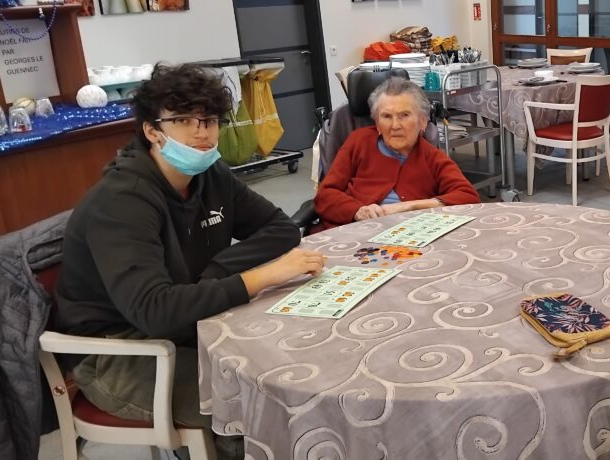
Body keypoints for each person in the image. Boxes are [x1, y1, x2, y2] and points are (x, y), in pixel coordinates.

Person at [55, 64, 325, 459]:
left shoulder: (210, 173)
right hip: (118, 352)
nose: (202, 132)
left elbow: (281, 229)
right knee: (258, 405)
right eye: (183, 120)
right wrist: (257, 278)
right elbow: (156, 311)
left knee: (295, 365)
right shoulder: (122, 200)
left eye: (210, 120)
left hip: (189, 324)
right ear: (152, 131)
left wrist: (215, 272)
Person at [313, 77, 480, 230]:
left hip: (409, 234)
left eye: (404, 115)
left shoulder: (431, 157)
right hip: (354, 231)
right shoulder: (359, 142)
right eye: (386, 116)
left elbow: (468, 197)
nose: (395, 126)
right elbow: (325, 195)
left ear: (422, 121)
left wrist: (410, 206)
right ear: (377, 123)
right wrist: (357, 211)